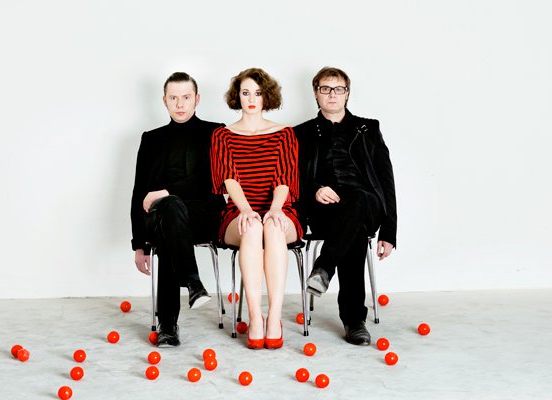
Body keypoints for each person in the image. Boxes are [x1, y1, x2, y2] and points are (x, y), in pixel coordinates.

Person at [294, 67, 397, 346]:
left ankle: (324, 267)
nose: (332, 94)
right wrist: (315, 190)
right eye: (325, 89)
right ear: (315, 93)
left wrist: (389, 231)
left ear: (347, 93)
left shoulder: (368, 128)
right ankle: (354, 321)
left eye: (339, 89)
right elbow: (291, 178)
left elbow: (386, 181)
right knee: (354, 228)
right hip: (325, 210)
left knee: (359, 200)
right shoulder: (300, 133)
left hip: (367, 203)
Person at [131, 72, 225, 347]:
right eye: (173, 98)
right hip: (161, 216)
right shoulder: (151, 139)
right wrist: (139, 245)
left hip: (203, 216)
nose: (180, 104)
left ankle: (168, 325)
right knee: (170, 212)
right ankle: (192, 283)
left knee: (170, 217)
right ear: (164, 101)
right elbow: (139, 192)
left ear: (197, 99)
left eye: (186, 97)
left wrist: (166, 192)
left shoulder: (215, 132)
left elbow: (213, 181)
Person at [211, 68, 302, 349]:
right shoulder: (222, 135)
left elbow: (284, 178)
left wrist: (275, 209)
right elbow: (229, 179)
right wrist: (246, 210)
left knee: (272, 227)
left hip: (281, 210)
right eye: (246, 93)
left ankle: (274, 318)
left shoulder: (285, 134)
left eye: (258, 93)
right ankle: (254, 317)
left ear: (267, 97)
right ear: (237, 96)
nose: (252, 99)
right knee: (252, 227)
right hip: (238, 213)